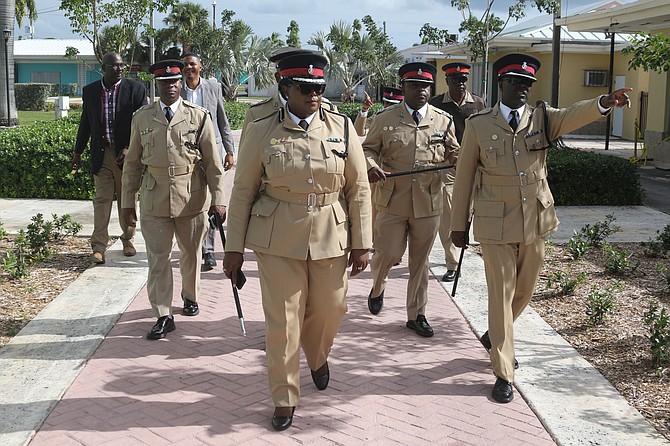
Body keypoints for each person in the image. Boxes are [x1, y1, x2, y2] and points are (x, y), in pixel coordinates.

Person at [450, 53, 632, 404]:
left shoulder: (543, 119)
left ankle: (496, 334)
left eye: (527, 84)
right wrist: (458, 224)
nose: (522, 88)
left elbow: (573, 114)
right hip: (494, 222)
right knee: (500, 296)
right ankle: (504, 370)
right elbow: (464, 179)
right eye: (515, 82)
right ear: (500, 83)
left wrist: (604, 102)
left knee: (524, 291)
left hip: (536, 219)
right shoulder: (478, 125)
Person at [223, 52, 372, 431]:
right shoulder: (260, 128)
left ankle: (318, 355)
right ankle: (284, 397)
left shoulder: (342, 126)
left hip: (331, 231)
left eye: (319, 88)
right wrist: (234, 248)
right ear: (284, 88)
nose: (314, 95)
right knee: (284, 323)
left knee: (331, 308)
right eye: (306, 88)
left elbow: (358, 189)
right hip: (277, 237)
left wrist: (363, 241)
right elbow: (242, 192)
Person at [121, 59, 227, 340]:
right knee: (158, 259)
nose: (170, 87)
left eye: (175, 82)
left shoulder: (199, 116)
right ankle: (163, 313)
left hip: (191, 196)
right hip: (155, 197)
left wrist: (219, 199)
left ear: (182, 83)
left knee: (191, 253)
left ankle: (190, 296)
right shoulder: (142, 117)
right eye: (165, 83)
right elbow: (132, 164)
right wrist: (127, 203)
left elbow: (214, 164)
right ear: (157, 85)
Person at [363, 62, 459, 338]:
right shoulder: (385, 118)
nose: (421, 91)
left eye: (426, 86)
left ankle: (417, 314)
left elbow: (453, 151)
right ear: (403, 87)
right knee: (388, 253)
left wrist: (457, 160)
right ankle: (378, 285)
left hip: (428, 201)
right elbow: (368, 149)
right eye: (415, 86)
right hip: (393, 199)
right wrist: (371, 165)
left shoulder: (443, 120)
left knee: (420, 261)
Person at [72, 52, 147, 264]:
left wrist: (129, 148)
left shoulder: (136, 90)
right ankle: (98, 247)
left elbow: (142, 125)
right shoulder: (91, 91)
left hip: (127, 156)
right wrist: (78, 152)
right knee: (102, 201)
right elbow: (86, 123)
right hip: (102, 154)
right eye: (115, 66)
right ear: (103, 67)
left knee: (128, 200)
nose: (120, 69)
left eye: (122, 65)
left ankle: (128, 241)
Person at [429, 62, 486, 282]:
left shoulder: (478, 104)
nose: (460, 84)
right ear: (447, 81)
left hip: (478, 166)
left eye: (463, 80)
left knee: (474, 211)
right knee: (452, 216)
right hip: (449, 167)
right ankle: (453, 263)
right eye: (455, 80)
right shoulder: (436, 104)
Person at [181, 52, 236, 270]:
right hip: (186, 154)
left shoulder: (212, 88)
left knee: (215, 200)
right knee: (194, 201)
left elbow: (222, 120)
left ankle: (209, 250)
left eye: (192, 64)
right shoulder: (178, 89)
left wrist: (230, 151)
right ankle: (194, 246)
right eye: (185, 65)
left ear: (200, 67)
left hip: (211, 151)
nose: (189, 68)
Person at [240, 47, 337, 145]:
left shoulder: (329, 110)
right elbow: (246, 156)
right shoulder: (257, 113)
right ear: (278, 77)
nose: (312, 92)